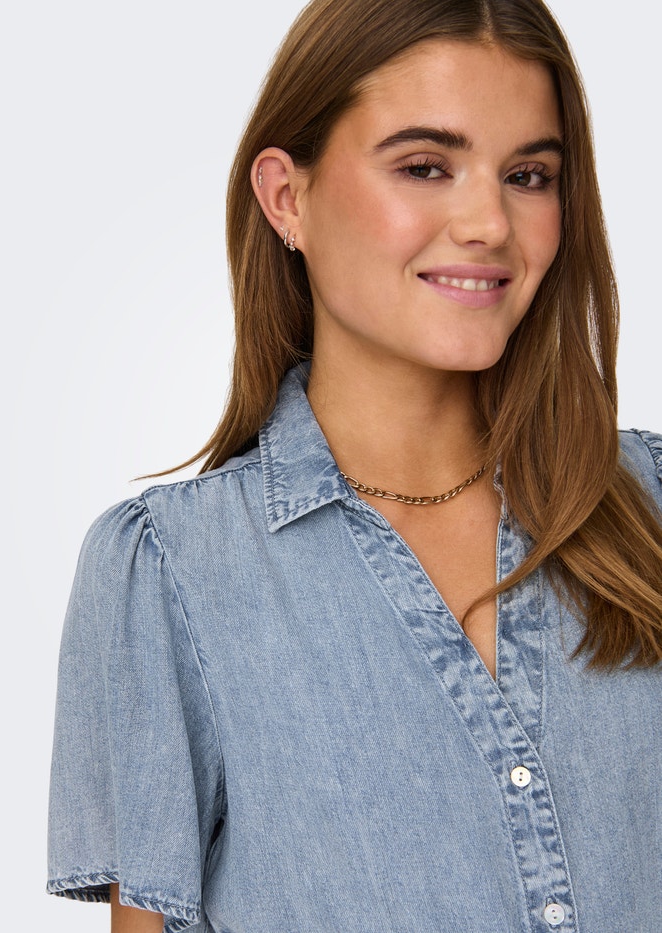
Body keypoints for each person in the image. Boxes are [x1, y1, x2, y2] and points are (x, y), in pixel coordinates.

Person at [47, 0, 662, 930]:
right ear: (286, 198)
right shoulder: (171, 574)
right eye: (425, 166)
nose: (489, 223)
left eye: (529, 175)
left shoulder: (648, 507)